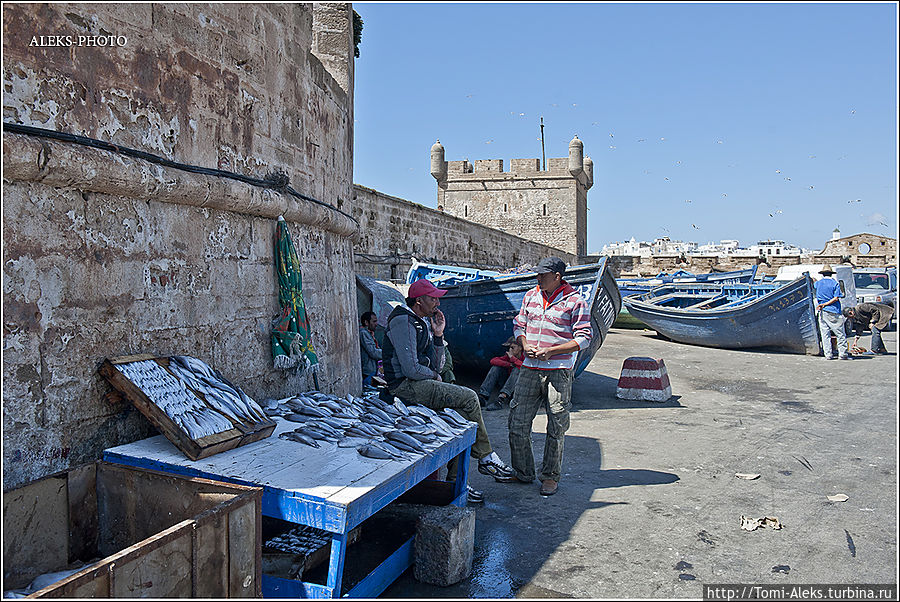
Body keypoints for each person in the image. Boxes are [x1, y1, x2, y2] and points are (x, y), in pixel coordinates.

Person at [381, 278, 517, 503]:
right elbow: (412, 369)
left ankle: (455, 481)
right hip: (404, 388)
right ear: (418, 301)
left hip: (419, 384)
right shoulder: (403, 321)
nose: (437, 303)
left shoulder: (422, 321)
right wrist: (435, 376)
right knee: (470, 397)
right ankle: (485, 457)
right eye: (432, 298)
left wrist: (438, 335)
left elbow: (437, 365)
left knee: (462, 417)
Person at [506, 257, 592, 497]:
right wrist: (523, 344)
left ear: (557, 276)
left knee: (556, 424)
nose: (538, 278)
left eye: (543, 274)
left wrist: (551, 351)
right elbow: (519, 325)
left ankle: (550, 476)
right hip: (530, 368)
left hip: (558, 372)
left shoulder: (575, 301)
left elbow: (584, 337)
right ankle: (523, 471)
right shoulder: (530, 296)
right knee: (517, 421)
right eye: (537, 274)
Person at [814, 264, 850, 360]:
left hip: (822, 311)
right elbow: (836, 297)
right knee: (840, 333)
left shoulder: (818, 283)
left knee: (825, 334)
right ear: (831, 274)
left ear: (823, 274)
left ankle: (828, 354)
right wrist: (826, 304)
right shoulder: (835, 284)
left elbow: (813, 284)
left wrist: (823, 304)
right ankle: (842, 354)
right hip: (833, 310)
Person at [478, 336, 524, 411]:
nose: (510, 350)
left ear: (520, 348)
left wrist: (513, 359)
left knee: (517, 370)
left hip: (519, 389)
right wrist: (509, 364)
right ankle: (483, 396)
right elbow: (493, 361)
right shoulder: (508, 356)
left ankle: (501, 400)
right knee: (496, 367)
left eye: (513, 347)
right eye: (509, 348)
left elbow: (524, 367)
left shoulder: (525, 356)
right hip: (509, 385)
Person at [359, 311, 382, 387]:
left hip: (371, 369)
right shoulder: (363, 333)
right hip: (367, 371)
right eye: (374, 321)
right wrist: (387, 353)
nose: (376, 324)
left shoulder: (369, 333)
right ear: (366, 322)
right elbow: (373, 352)